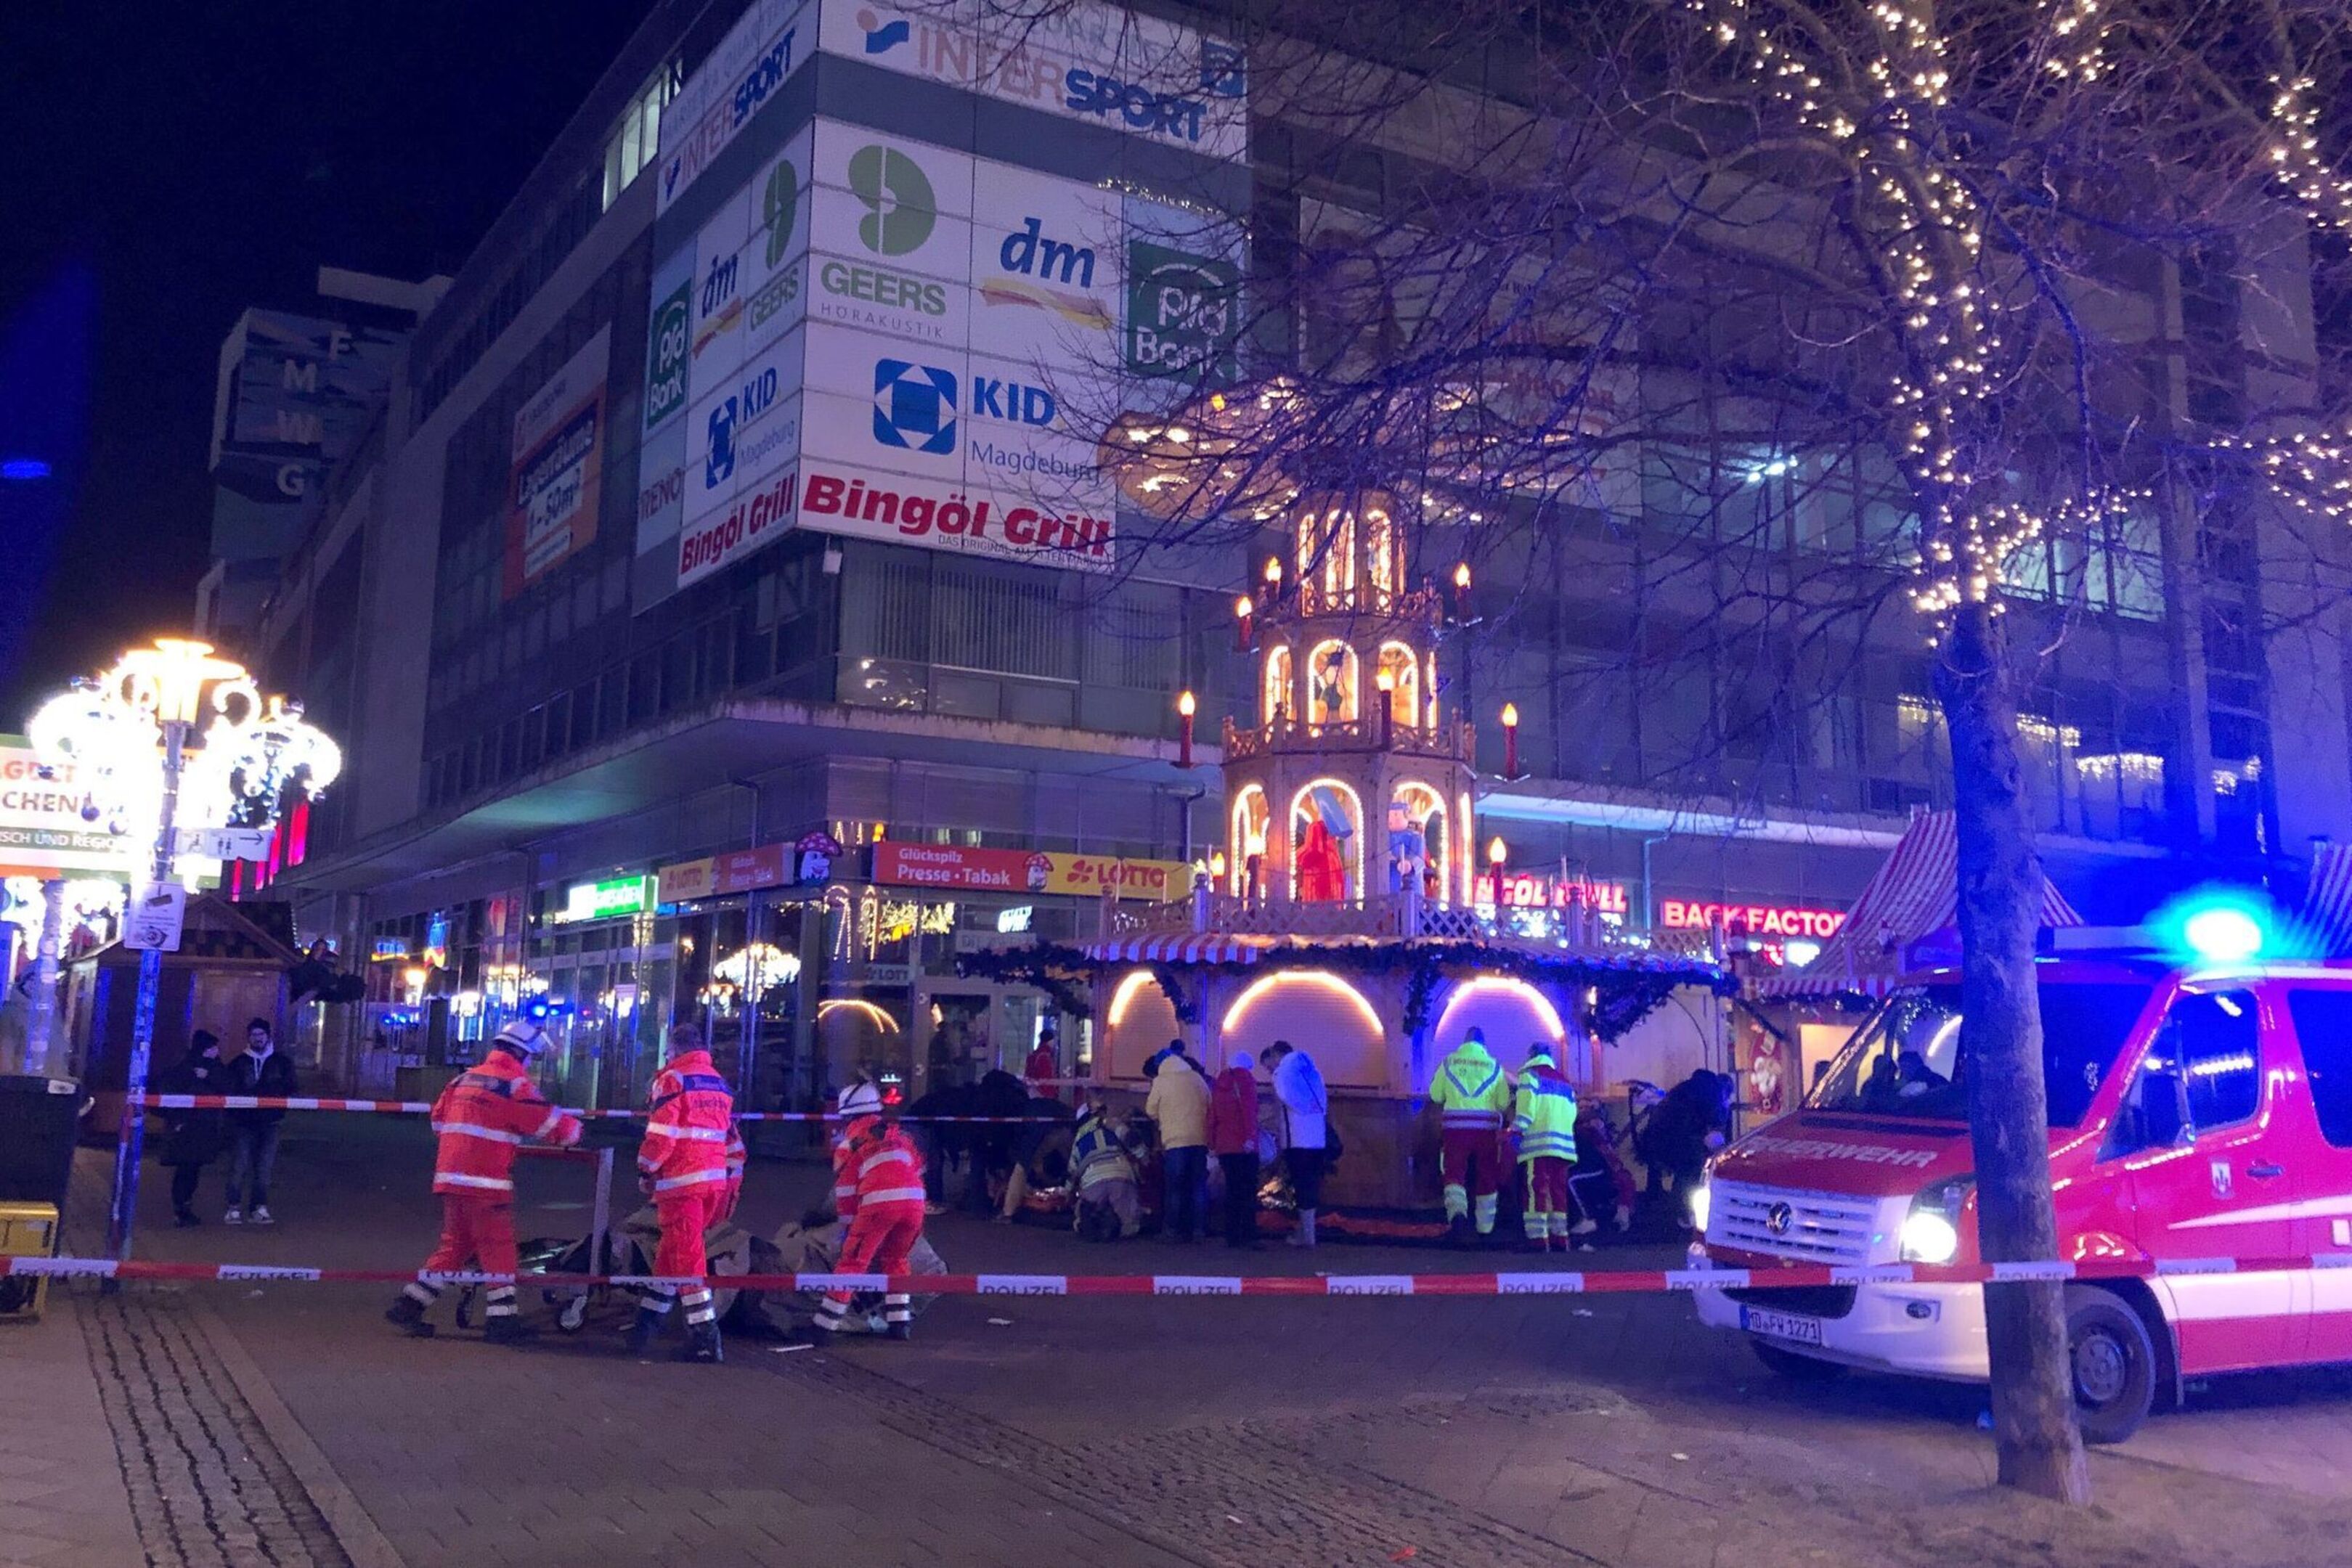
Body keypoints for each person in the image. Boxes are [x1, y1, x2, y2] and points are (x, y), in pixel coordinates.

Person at [386, 1018, 582, 1342]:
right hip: (486, 1183)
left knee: (456, 1245)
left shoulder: (464, 1079)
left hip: (451, 1177)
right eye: (531, 1057)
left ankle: (410, 1304)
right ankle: (502, 1321)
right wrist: (577, 1130)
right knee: (499, 1248)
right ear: (521, 1054)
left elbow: (438, 1121)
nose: (531, 1064)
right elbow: (559, 1130)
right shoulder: (515, 1086)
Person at [624, 1021, 742, 1363]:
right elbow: (729, 1137)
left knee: (688, 1260)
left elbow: (662, 1134)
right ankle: (646, 1325)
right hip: (712, 1183)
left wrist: (646, 1168)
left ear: (675, 1049)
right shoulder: (718, 1083)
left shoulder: (673, 1080)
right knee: (673, 1254)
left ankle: (705, 1336)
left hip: (681, 1183)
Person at [813, 1079, 927, 1340]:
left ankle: (823, 1327)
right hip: (915, 1204)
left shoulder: (850, 1145)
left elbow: (846, 1194)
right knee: (897, 1261)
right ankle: (900, 1324)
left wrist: (848, 1230)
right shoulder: (901, 1136)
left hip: (878, 1205)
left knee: (852, 1262)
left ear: (848, 1116)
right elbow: (918, 1170)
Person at [1428, 1026, 1510, 1244]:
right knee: (1487, 1174)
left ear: (1464, 1042)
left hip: (1455, 1129)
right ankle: (1485, 1228)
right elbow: (1503, 1103)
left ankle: (1457, 1218)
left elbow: (1436, 1095)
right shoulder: (1495, 1066)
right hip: (1486, 1130)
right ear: (1483, 1045)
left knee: (1454, 1173)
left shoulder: (1449, 1062)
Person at [223, 1018, 294, 1225]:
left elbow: (290, 1086)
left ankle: (259, 1207)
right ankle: (233, 1207)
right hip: (244, 1123)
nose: (258, 1039)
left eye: (261, 1035)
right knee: (240, 1165)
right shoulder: (238, 1063)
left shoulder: (282, 1063)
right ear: (249, 1038)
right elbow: (230, 1088)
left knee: (264, 1168)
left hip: (270, 1122)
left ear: (268, 1036)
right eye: (254, 1035)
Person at [158, 1031, 231, 1228]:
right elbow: (175, 1090)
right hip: (187, 1126)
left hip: (203, 1127)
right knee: (186, 1168)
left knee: (192, 1168)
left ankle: (184, 1208)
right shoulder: (185, 1068)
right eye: (212, 1048)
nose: (216, 1051)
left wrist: (210, 1077)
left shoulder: (215, 1067)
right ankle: (181, 1208)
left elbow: (227, 1086)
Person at [1512, 1042, 1579, 1251]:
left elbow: (1525, 1113)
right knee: (1559, 1191)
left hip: (1538, 1146)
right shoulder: (1565, 1082)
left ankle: (1538, 1239)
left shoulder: (1529, 1076)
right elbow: (1573, 1115)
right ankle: (1560, 1237)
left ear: (1531, 1055)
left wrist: (1513, 1133)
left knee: (1536, 1191)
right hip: (1564, 1147)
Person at [1144, 1034, 1211, 1241]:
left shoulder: (1161, 1081)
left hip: (1175, 1141)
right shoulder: (1196, 1077)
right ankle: (1199, 1230)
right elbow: (1209, 1102)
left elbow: (1151, 1110)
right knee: (1198, 1186)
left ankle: (1172, 1231)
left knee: (1175, 1187)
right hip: (1199, 1140)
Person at [1264, 1040, 1328, 1248]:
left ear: (1276, 1055)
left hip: (1297, 1139)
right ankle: (1308, 1232)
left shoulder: (1283, 1073)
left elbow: (1285, 1098)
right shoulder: (1312, 1070)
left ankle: (1307, 1236)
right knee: (1311, 1185)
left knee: (1301, 1186)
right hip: (1317, 1138)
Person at [1208, 1047, 1263, 1249]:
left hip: (1225, 1145)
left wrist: (1212, 1143)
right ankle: (1248, 1235)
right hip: (1243, 1145)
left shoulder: (1218, 1084)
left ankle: (1232, 1236)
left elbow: (1212, 1116)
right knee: (1247, 1191)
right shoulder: (1245, 1081)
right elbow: (1249, 1112)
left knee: (1231, 1190)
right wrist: (1250, 1137)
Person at [1070, 1095, 1144, 1240]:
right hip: (1121, 1177)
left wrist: (1068, 1194)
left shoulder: (1079, 1136)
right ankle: (1123, 1227)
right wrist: (1144, 1156)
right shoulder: (1114, 1124)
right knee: (1130, 1225)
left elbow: (1072, 1171)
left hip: (1093, 1181)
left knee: (1085, 1219)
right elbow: (1133, 1142)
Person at [1025, 1026, 1062, 1097]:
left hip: (1033, 1090)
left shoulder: (1034, 1055)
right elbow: (1047, 1078)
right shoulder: (1045, 1056)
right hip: (1042, 1093)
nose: (1054, 1043)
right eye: (1054, 1040)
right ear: (1050, 1041)